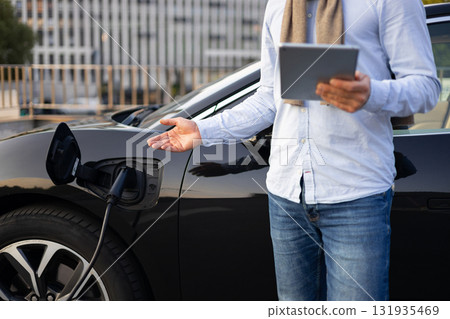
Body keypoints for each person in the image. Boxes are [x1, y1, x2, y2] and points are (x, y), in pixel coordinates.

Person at [147, 0, 441, 301]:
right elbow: (268, 98)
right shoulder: (278, 5)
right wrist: (201, 130)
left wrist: (372, 94)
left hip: (357, 195)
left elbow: (425, 88)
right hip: (286, 197)